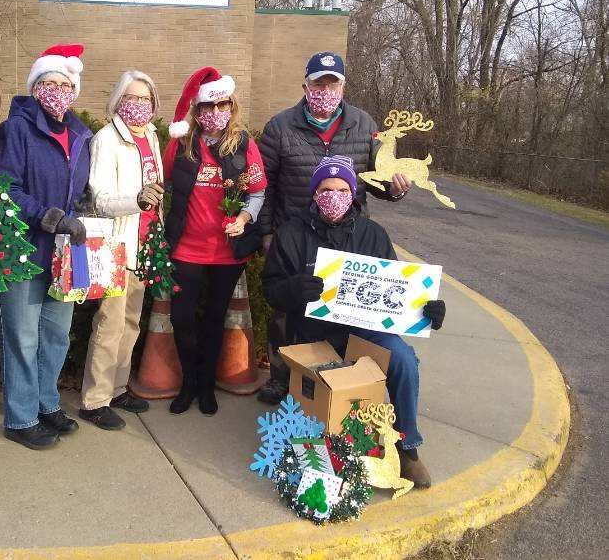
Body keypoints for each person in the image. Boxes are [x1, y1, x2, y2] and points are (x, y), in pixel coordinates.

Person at [261, 155, 444, 488]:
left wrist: (426, 311)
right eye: (327, 189)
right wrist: (292, 288)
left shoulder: (373, 234)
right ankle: (316, 451)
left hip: (363, 331)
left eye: (343, 188)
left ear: (353, 192)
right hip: (313, 333)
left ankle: (408, 449)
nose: (334, 196)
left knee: (403, 360)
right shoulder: (290, 233)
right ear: (315, 194)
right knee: (320, 393)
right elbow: (270, 290)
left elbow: (399, 289)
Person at [256, 51, 414, 405]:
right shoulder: (280, 127)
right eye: (318, 84)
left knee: (346, 311)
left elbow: (376, 178)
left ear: (343, 87)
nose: (325, 91)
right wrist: (267, 233)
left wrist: (394, 188)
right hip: (296, 235)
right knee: (287, 311)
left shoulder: (363, 124)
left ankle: (344, 379)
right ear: (305, 85)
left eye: (333, 84)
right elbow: (263, 184)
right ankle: (283, 375)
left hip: (349, 235)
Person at [0, 43, 93, 450]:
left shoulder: (80, 134)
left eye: (65, 84)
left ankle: (47, 402)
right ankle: (20, 416)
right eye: (48, 83)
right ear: (35, 88)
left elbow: (80, 188)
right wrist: (50, 216)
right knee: (22, 336)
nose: (57, 90)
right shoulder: (16, 129)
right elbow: (6, 186)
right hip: (22, 249)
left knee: (55, 335)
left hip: (64, 255)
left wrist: (82, 207)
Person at [162, 67, 268, 416]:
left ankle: (206, 385)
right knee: (182, 318)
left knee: (214, 319)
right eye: (207, 107)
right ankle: (188, 382)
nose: (214, 113)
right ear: (196, 111)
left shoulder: (244, 145)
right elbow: (159, 184)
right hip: (186, 250)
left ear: (231, 106)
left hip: (225, 254)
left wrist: (243, 218)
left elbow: (257, 191)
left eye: (221, 105)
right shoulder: (181, 145)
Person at [78, 71, 165, 430]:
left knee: (131, 322)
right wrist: (137, 200)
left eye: (145, 98)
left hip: (145, 246)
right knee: (110, 324)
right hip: (117, 246)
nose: (138, 104)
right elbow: (99, 197)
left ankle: (117, 387)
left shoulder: (152, 137)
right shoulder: (107, 139)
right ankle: (94, 399)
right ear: (118, 99)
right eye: (131, 97)